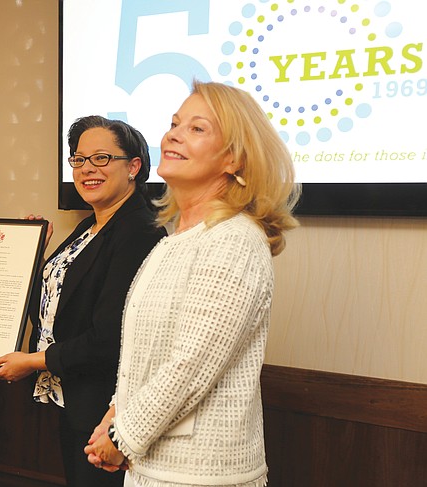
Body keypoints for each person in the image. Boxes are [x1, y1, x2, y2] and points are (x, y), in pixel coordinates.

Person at [85, 81, 301, 487]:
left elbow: (190, 365)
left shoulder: (234, 240)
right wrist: (115, 416)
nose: (173, 135)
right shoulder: (176, 240)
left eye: (197, 128)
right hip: (152, 467)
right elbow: (146, 356)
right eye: (174, 123)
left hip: (202, 475)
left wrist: (122, 437)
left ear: (234, 159)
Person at [0, 116, 167, 486]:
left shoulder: (139, 230)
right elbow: (60, 304)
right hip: (74, 396)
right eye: (79, 159)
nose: (87, 169)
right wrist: (17, 254)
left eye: (101, 158)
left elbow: (108, 337)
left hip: (107, 406)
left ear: (134, 166)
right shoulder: (90, 224)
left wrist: (32, 361)